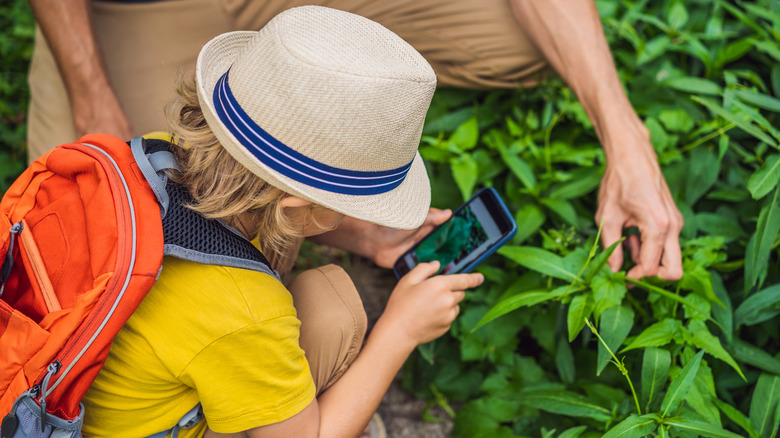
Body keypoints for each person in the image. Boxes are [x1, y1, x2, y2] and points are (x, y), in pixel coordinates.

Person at [25, 0, 683, 284]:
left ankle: (311, 60)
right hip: (132, 11)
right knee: (110, 231)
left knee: (521, 42)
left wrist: (628, 140)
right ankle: (290, 195)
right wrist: (92, 94)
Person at [79, 6, 484, 437]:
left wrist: (366, 237)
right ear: (294, 206)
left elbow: (262, 209)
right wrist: (400, 331)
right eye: (346, 204)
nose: (350, 213)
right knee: (333, 312)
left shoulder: (150, 158)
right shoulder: (246, 315)